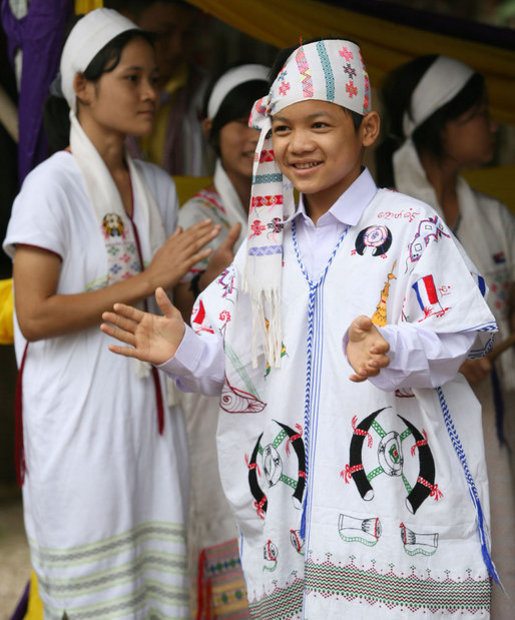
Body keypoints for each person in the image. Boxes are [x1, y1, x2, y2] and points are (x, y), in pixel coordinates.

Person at [102, 39, 499, 618]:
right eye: (283, 129)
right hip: (294, 527)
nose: (298, 144)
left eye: (319, 124)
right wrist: (182, 349)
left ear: (367, 129)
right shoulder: (264, 252)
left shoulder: (409, 226)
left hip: (389, 512)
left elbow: (463, 332)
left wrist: (394, 347)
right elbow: (238, 368)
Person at [3, 9, 220, 618]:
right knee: (96, 601)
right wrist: (147, 277)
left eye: (153, 77)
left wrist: (199, 280)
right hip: (80, 428)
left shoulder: (156, 184)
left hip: (151, 425)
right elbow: (34, 314)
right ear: (82, 86)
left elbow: (170, 309)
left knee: (156, 597)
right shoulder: (51, 187)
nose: (151, 92)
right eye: (132, 78)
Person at [375, 54, 515, 618]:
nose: (494, 125)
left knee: (499, 542)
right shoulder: (391, 220)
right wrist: (451, 357)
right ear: (439, 124)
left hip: (490, 415)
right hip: (416, 429)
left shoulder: (496, 216)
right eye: (477, 115)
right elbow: (368, 327)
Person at [173, 64, 269, 617]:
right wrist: (209, 287)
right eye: (239, 121)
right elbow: (184, 317)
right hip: (216, 404)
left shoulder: (301, 205)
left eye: (263, 120)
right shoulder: (199, 214)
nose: (252, 135)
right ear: (212, 130)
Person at [105, 0, 213, 176]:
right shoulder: (102, 92)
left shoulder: (208, 95)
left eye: (187, 35)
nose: (177, 47)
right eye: (163, 34)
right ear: (128, 22)